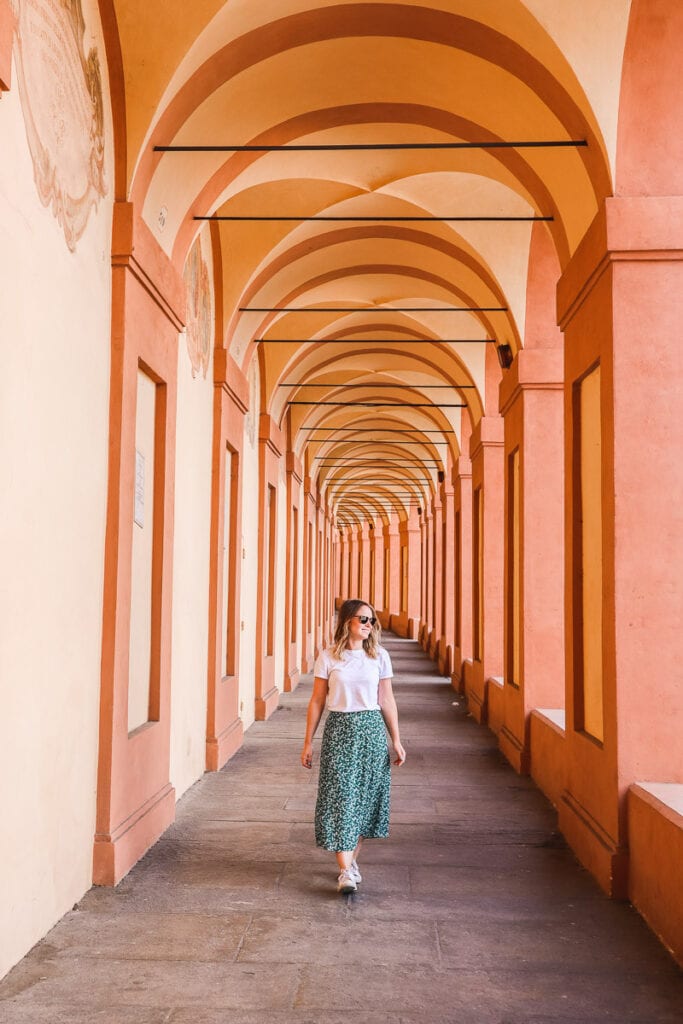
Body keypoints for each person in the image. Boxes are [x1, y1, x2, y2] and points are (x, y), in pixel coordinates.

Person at [300, 598, 406, 894]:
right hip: (339, 731)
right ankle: (345, 870)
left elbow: (386, 700)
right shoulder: (329, 657)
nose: (368, 625)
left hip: (371, 732)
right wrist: (308, 741)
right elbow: (317, 701)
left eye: (372, 620)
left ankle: (350, 865)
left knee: (364, 801)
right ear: (347, 621)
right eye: (363, 619)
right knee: (341, 798)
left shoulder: (380, 656)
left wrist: (396, 740)